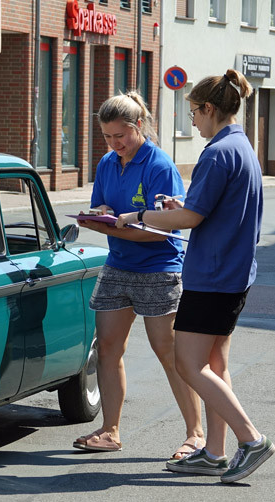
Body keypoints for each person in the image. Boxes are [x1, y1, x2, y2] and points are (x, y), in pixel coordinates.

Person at [115, 69, 275, 484]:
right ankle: (215, 452)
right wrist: (179, 204)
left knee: (187, 363)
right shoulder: (240, 146)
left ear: (209, 108)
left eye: (193, 113)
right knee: (214, 364)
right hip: (234, 272)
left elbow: (190, 217)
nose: (193, 122)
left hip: (213, 274)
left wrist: (140, 215)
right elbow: (201, 207)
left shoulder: (217, 152)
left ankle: (251, 439)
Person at [72, 91, 204, 460]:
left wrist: (108, 228)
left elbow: (162, 229)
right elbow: (104, 207)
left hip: (159, 268)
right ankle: (110, 431)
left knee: (170, 353)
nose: (115, 144)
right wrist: (99, 214)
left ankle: (195, 435)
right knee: (109, 348)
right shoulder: (107, 163)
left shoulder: (159, 165)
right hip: (119, 265)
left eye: (121, 136)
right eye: (107, 137)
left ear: (139, 126)